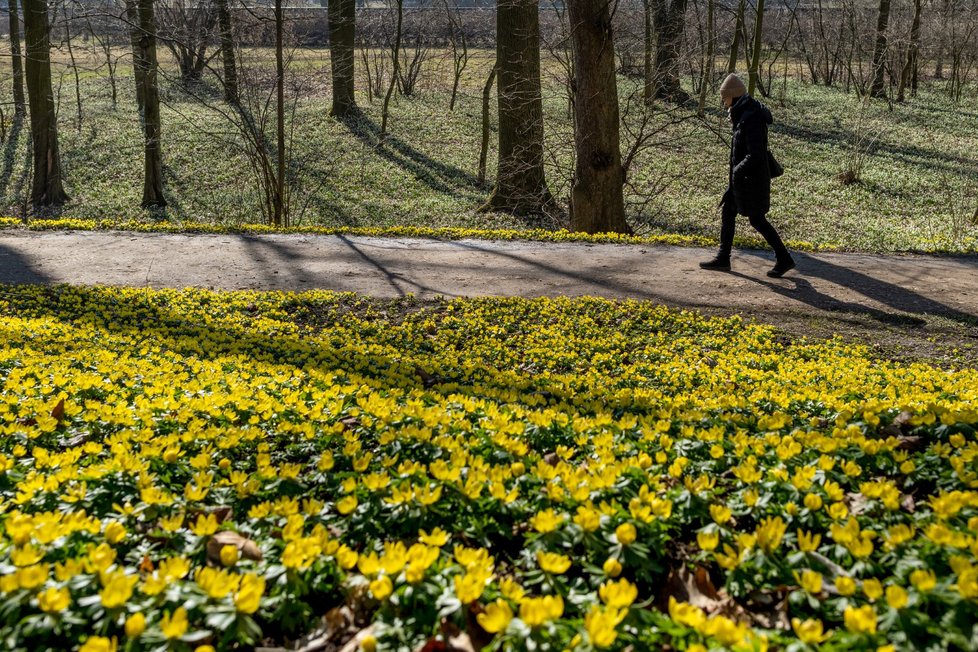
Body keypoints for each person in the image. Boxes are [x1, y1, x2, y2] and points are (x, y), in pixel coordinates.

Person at [700, 74, 795, 278]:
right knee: (729, 212)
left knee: (757, 220)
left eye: (725, 98)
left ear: (734, 96)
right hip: (743, 181)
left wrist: (737, 170)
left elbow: (756, 155)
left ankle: (784, 258)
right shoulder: (742, 114)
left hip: (751, 181)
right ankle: (723, 257)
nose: (723, 102)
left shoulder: (751, 119)